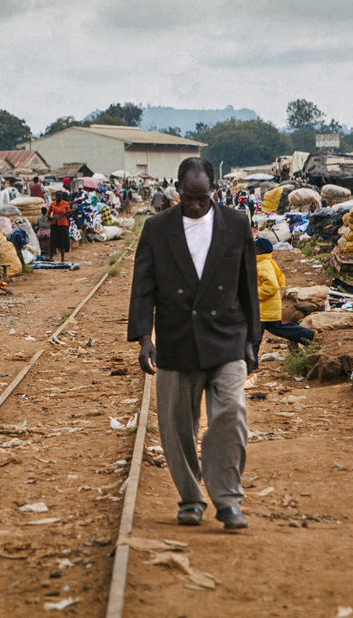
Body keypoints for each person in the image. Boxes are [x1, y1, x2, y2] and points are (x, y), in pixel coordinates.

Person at [127, 156, 259, 531]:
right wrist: (143, 338)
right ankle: (190, 498)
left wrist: (253, 341)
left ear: (213, 191)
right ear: (178, 191)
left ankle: (228, 499)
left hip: (227, 336)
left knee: (231, 415)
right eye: (189, 199)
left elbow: (248, 284)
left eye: (203, 199)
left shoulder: (236, 223)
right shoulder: (156, 229)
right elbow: (143, 287)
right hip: (176, 339)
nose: (196, 206)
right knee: (176, 427)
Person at [255, 237, 314, 347]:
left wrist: (253, 294)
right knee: (278, 328)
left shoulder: (263, 264)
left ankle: (307, 335)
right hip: (266, 308)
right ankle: (307, 335)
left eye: (255, 248)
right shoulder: (264, 262)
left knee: (253, 341)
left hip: (263, 309)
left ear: (262, 250)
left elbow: (271, 287)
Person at [46, 191, 72, 262]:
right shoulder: (52, 204)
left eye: (60, 196)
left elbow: (69, 214)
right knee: (53, 241)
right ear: (55, 197)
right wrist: (50, 218)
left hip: (63, 225)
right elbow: (47, 213)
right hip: (54, 224)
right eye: (58, 196)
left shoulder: (66, 204)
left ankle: (62, 258)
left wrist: (71, 213)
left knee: (62, 242)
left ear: (62, 197)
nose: (59, 197)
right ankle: (51, 257)